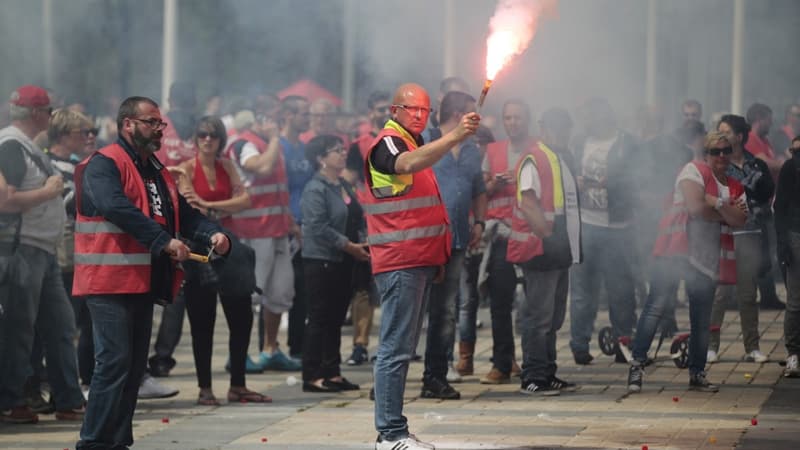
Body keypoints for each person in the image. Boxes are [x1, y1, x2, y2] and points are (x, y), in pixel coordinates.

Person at [73, 96, 231, 449]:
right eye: (152, 123)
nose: (160, 129)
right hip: (108, 280)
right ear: (128, 124)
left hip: (141, 280)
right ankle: (94, 443)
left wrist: (213, 234)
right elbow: (116, 207)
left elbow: (184, 214)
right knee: (113, 363)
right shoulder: (103, 164)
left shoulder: (156, 169)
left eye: (160, 123)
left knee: (131, 369)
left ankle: (117, 441)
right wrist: (163, 241)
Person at [365, 83, 479, 450]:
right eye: (411, 109)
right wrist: (455, 136)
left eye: (424, 111)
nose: (418, 115)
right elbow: (407, 165)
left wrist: (437, 257)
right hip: (400, 261)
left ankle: (394, 430)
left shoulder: (412, 142)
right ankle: (390, 434)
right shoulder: (389, 143)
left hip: (418, 260)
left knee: (400, 347)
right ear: (394, 109)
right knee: (395, 349)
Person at [627, 131, 747, 394]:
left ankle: (697, 373)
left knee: (701, 319)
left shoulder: (734, 184)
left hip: (705, 259)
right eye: (716, 151)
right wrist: (722, 208)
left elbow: (740, 219)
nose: (722, 156)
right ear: (706, 154)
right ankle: (636, 365)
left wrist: (714, 203)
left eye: (726, 151)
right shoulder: (692, 170)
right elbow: (694, 207)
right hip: (675, 251)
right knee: (655, 308)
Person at [0, 85, 84, 424]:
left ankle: (68, 399)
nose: (51, 117)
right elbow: (5, 200)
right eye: (48, 111)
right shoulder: (10, 146)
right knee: (20, 330)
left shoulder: (25, 146)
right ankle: (12, 400)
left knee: (61, 326)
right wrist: (47, 191)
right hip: (23, 251)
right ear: (37, 114)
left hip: (42, 251)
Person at [172, 115, 270, 405]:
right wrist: (213, 208)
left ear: (221, 140)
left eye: (213, 135)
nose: (207, 140)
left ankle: (237, 384)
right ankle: (205, 387)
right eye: (202, 134)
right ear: (195, 138)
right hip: (199, 250)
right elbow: (190, 205)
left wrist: (210, 205)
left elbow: (245, 201)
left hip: (229, 246)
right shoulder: (186, 168)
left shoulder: (227, 166)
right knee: (202, 319)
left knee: (241, 316)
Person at [509, 107, 581, 395]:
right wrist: (548, 235)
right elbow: (528, 203)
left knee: (553, 316)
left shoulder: (560, 157)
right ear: (545, 129)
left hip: (558, 246)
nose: (563, 135)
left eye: (566, 130)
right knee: (539, 317)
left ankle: (547, 372)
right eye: (559, 129)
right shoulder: (534, 158)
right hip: (541, 248)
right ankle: (533, 376)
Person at [225, 105, 299, 372]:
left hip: (277, 230)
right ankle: (238, 354)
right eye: (275, 120)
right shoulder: (244, 144)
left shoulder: (267, 143)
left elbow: (278, 188)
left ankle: (271, 349)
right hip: (252, 233)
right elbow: (262, 168)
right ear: (262, 119)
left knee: (281, 292)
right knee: (250, 295)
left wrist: (289, 221)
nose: (278, 125)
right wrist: (276, 138)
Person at [423, 91, 487, 397]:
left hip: (457, 240)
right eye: (472, 115)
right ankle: (388, 378)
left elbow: (479, 188)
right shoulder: (425, 142)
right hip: (424, 242)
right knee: (408, 312)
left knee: (445, 311)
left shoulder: (473, 149)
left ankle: (436, 375)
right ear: (457, 116)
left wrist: (480, 222)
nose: (478, 120)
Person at [570, 97, 639, 364]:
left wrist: (615, 182)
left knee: (620, 288)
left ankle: (623, 343)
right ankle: (579, 345)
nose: (586, 122)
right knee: (582, 291)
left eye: (590, 116)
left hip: (617, 226)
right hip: (585, 224)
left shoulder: (626, 143)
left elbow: (641, 176)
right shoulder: (578, 143)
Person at [300, 134, 369, 392]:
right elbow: (318, 227)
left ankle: (332, 371)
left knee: (336, 317)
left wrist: (361, 242)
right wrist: (349, 246)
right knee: (319, 316)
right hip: (321, 261)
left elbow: (355, 215)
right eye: (335, 150)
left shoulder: (342, 184)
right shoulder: (315, 188)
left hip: (344, 260)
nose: (342, 154)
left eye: (342, 149)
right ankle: (313, 373)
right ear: (321, 158)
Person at [708, 115, 774, 363]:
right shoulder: (715, 164)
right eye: (719, 131)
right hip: (723, 234)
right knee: (720, 293)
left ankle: (752, 347)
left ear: (739, 136)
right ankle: (711, 345)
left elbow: (767, 192)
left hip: (750, 233)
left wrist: (742, 186)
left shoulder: (756, 164)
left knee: (748, 293)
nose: (722, 136)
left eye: (726, 132)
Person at [479, 99, 534, 383]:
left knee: (533, 304)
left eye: (518, 117)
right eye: (508, 118)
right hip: (502, 234)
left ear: (528, 120)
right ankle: (502, 362)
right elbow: (482, 191)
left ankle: (536, 362)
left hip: (531, 234)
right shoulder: (493, 150)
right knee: (500, 301)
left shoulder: (538, 150)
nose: (513, 123)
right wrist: (496, 184)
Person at [148, 81, 199, 378]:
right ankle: (163, 356)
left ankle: (156, 357)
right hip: (191, 215)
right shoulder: (201, 131)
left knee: (162, 292)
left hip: (161, 217)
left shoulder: (159, 131)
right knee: (179, 291)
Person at [46, 109, 98, 396]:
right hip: (64, 254)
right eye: (83, 132)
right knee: (67, 322)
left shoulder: (74, 163)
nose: (89, 137)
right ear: (65, 135)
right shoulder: (53, 165)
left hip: (77, 253)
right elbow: (66, 205)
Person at [344, 90, 392, 366]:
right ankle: (360, 345)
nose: (384, 113)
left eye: (388, 108)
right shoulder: (360, 145)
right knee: (362, 287)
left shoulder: (402, 141)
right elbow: (349, 180)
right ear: (370, 113)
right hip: (366, 222)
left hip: (396, 224)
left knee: (393, 286)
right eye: (379, 109)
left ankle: (395, 343)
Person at [279, 96, 313, 363]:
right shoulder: (279, 147)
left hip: (305, 226)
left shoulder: (303, 148)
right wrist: (290, 221)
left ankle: (298, 346)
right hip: (283, 227)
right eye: (303, 114)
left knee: (302, 288)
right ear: (288, 116)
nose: (308, 118)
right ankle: (270, 347)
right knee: (277, 289)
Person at [745, 102, 785, 310]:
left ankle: (769, 296)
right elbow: (770, 163)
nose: (771, 123)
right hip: (757, 207)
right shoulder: (752, 140)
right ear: (759, 119)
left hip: (769, 203)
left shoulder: (765, 141)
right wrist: (789, 162)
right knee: (762, 252)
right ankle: (767, 296)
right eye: (769, 119)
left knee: (767, 252)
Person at [774, 136, 800, 378]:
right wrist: (782, 243)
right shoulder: (790, 169)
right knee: (795, 299)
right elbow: (779, 207)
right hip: (795, 235)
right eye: (795, 151)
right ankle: (793, 354)